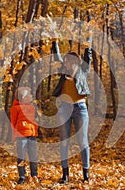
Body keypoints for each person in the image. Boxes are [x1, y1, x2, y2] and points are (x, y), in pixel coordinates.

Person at [52, 41, 92, 183]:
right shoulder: (63, 72)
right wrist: (54, 41)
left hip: (80, 108)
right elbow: (56, 57)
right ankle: (65, 174)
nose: (66, 63)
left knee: (83, 142)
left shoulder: (83, 71)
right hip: (64, 108)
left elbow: (88, 57)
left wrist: (88, 44)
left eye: (68, 61)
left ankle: (86, 174)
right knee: (64, 142)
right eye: (65, 61)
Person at [10, 87, 39, 184]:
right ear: (23, 97)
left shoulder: (32, 108)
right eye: (29, 95)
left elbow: (34, 121)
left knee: (33, 156)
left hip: (32, 135)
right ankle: (22, 176)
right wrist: (14, 136)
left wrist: (35, 130)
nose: (31, 96)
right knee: (21, 157)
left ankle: (34, 175)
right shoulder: (16, 108)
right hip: (21, 136)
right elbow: (13, 123)